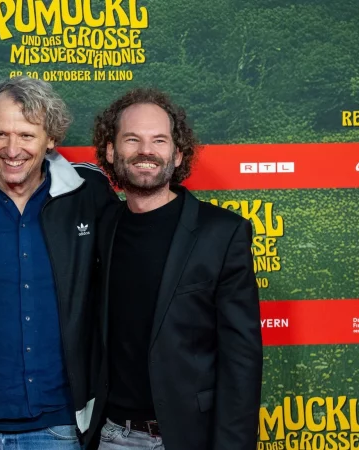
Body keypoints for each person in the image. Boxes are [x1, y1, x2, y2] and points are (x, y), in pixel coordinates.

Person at [0, 76, 119, 449]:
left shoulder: (89, 191)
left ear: (51, 138)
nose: (11, 148)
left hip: (62, 426)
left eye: (26, 135)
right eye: (0, 134)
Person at [86, 88, 263, 450]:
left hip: (189, 438)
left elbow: (241, 360)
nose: (145, 151)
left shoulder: (222, 233)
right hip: (113, 435)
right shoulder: (104, 226)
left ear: (177, 153)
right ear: (110, 150)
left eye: (159, 140)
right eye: (132, 139)